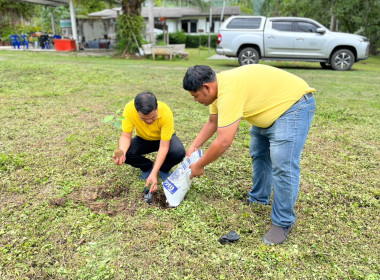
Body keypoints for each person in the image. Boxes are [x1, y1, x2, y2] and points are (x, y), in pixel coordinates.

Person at [182, 64, 316, 245]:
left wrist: (199, 165)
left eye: (195, 96)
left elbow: (224, 141)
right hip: (267, 109)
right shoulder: (217, 87)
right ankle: (260, 197)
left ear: (206, 87)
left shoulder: (228, 91)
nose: (195, 100)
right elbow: (214, 121)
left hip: (293, 106)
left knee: (283, 165)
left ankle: (283, 222)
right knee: (259, 153)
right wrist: (194, 146)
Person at [113, 92, 186, 193]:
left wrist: (155, 173)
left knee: (178, 152)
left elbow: (164, 146)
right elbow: (125, 136)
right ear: (136, 111)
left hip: (164, 139)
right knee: (127, 153)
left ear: (157, 108)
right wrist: (121, 152)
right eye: (143, 119)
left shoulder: (165, 111)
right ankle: (147, 167)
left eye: (153, 117)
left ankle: (164, 169)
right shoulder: (129, 109)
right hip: (143, 138)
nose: (149, 121)